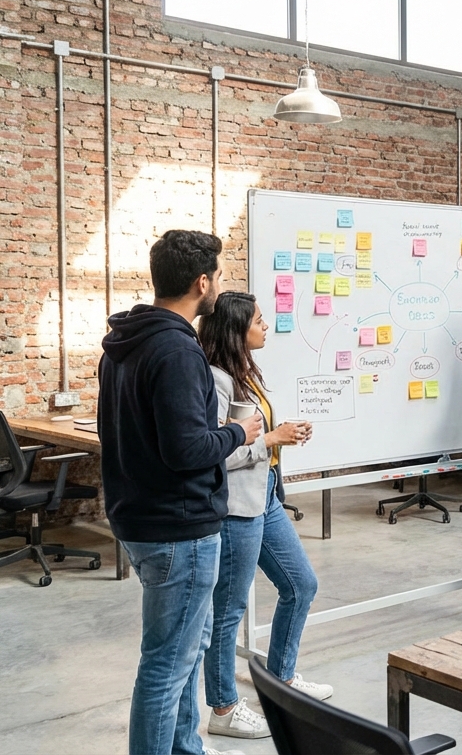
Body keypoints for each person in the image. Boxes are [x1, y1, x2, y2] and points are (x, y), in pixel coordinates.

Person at [99, 230, 263, 755]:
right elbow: (187, 450)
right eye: (217, 276)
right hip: (179, 528)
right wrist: (241, 432)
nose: (220, 285)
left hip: (139, 518)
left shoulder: (125, 342)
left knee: (183, 655)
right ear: (201, 282)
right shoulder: (177, 351)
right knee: (167, 668)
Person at [197, 292, 332, 740]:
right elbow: (214, 455)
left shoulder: (243, 373)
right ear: (237, 331)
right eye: (258, 320)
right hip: (236, 507)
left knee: (301, 584)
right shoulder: (214, 379)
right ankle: (223, 708)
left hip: (267, 495)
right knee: (228, 610)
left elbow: (252, 437)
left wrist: (281, 435)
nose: (266, 325)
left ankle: (282, 681)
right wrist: (271, 439)